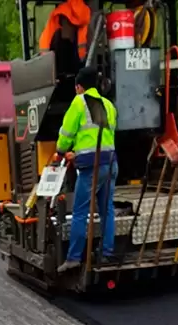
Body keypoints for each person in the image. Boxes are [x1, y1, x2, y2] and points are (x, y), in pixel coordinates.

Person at [55, 67, 118, 273]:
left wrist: (62, 151)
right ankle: (107, 253)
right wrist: (79, 153)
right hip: (111, 164)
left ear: (79, 87)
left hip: (92, 168)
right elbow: (103, 136)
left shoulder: (79, 102)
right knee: (107, 210)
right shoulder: (108, 105)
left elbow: (67, 132)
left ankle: (73, 258)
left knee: (81, 211)